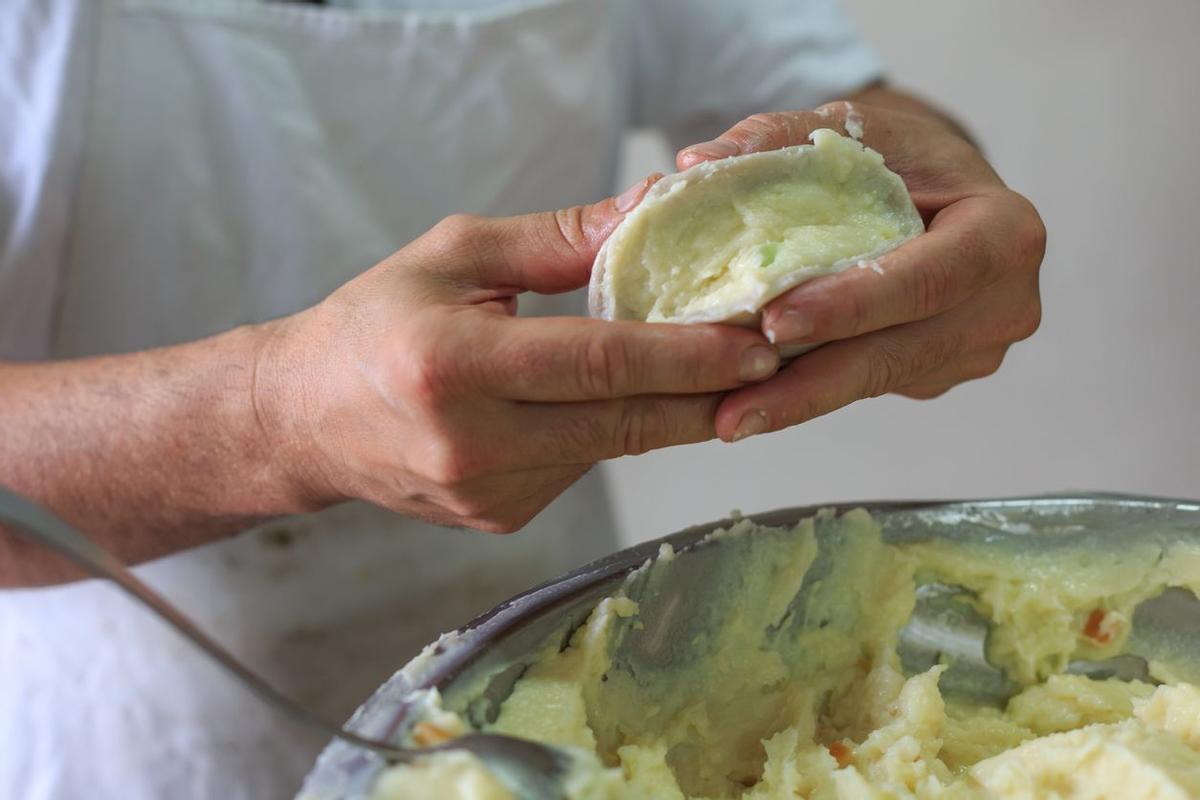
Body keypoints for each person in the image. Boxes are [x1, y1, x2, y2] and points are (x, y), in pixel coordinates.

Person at [0, 0, 1044, 797]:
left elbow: (847, 101)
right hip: (126, 734)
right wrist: (273, 418)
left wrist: (921, 191)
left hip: (569, 686)